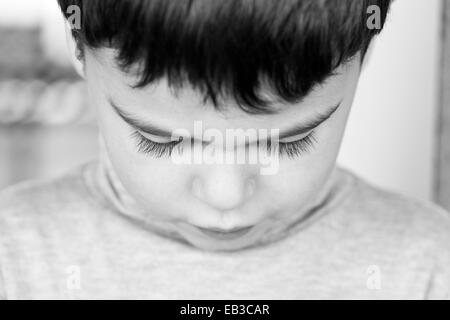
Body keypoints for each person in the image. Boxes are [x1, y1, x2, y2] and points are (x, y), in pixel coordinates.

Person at [0, 0, 449, 299]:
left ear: (364, 53)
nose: (226, 199)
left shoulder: (431, 269)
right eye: (162, 139)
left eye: (290, 140)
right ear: (78, 46)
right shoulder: (12, 261)